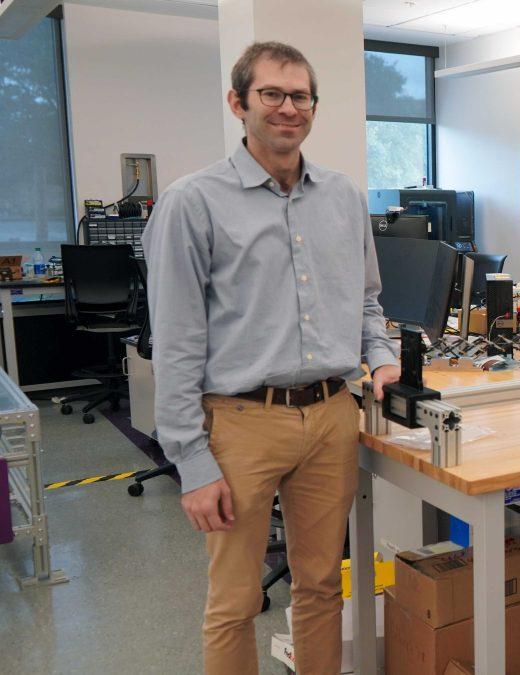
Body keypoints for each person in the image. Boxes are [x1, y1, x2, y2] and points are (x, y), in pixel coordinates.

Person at [142, 41, 402, 674]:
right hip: (240, 422)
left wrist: (382, 352)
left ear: (314, 106)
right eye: (272, 95)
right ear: (239, 103)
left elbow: (366, 299)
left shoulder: (342, 197)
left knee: (319, 587)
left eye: (301, 96)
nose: (289, 108)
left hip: (331, 416)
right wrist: (191, 459)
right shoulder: (192, 201)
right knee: (234, 602)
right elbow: (175, 340)